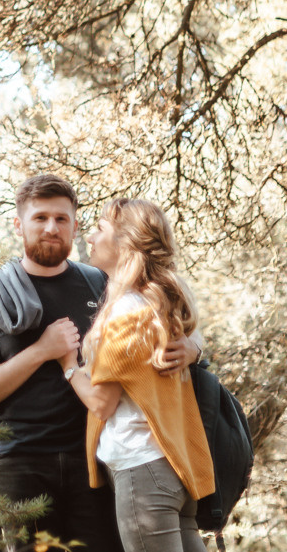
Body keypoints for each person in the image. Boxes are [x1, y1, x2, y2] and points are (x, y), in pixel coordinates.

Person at [0, 175, 201, 552]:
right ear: (18, 225)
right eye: (40, 218)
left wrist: (193, 347)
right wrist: (40, 351)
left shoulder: (103, 284)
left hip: (97, 466)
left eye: (61, 219)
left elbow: (168, 311)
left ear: (75, 225)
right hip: (20, 466)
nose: (51, 228)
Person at [63, 197, 215, 552]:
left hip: (142, 472)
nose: (89, 236)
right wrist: (196, 346)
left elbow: (102, 403)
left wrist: (67, 365)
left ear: (124, 243)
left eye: (100, 229)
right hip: (173, 468)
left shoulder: (128, 312)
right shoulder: (160, 303)